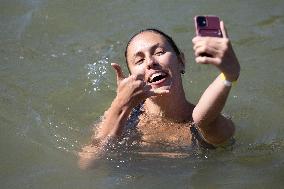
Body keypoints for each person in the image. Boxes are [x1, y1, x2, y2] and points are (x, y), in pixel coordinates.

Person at [78, 21, 240, 169]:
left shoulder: (206, 123)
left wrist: (228, 74)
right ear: (131, 78)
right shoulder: (124, 117)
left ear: (181, 61)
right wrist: (120, 104)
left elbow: (204, 118)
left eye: (159, 52)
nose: (150, 62)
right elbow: (88, 164)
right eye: (139, 61)